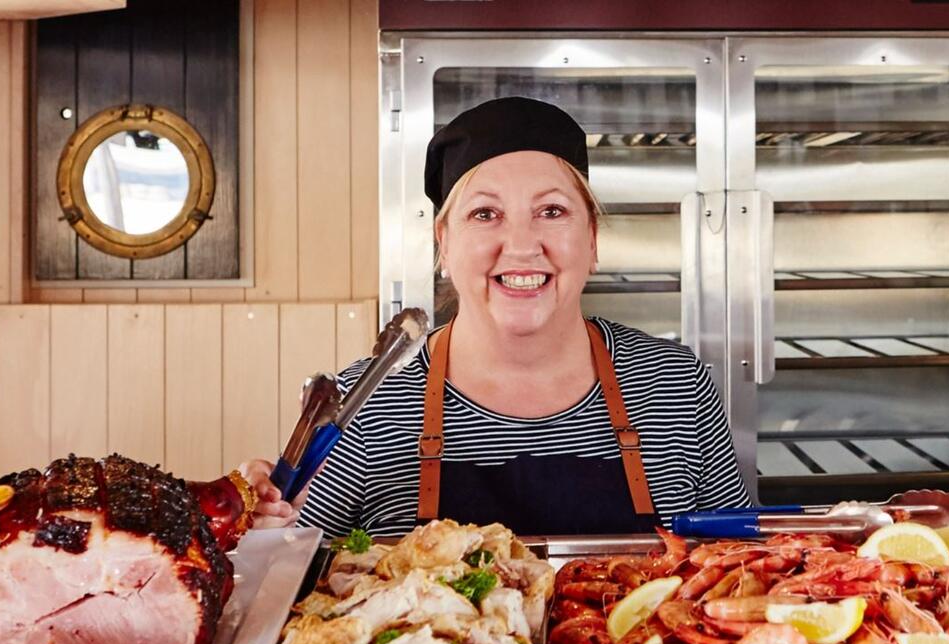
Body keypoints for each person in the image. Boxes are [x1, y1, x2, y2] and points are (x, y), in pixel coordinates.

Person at [240, 96, 750, 535]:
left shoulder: (676, 384)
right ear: (444, 244)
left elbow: (745, 572)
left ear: (591, 239)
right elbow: (292, 591)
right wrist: (271, 532)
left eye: (552, 212)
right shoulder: (364, 408)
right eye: (486, 214)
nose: (523, 246)